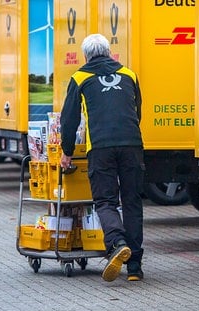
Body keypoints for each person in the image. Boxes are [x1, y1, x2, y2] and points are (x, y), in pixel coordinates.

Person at [60, 34, 145, 282]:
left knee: (106, 201)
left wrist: (67, 151)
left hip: (100, 147)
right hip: (132, 145)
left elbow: (69, 120)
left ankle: (117, 243)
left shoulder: (80, 78)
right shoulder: (129, 74)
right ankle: (135, 269)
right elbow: (137, 109)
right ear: (109, 52)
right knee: (132, 201)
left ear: (86, 55)